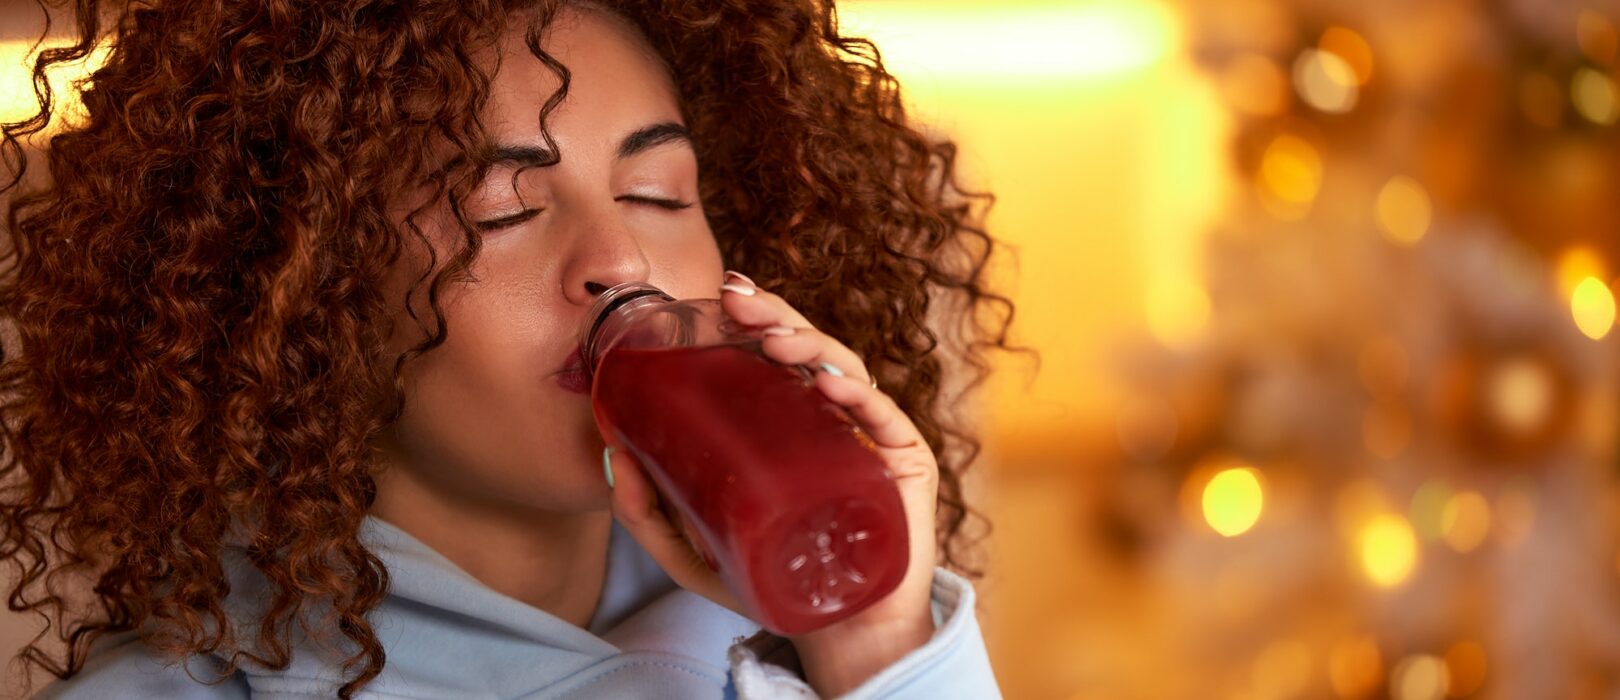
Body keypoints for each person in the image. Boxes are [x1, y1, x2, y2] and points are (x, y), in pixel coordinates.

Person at [0, 0, 1016, 697]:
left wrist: (872, 643)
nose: (621, 260)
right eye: (504, 209)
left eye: (659, 195)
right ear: (305, 287)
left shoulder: (807, 632)